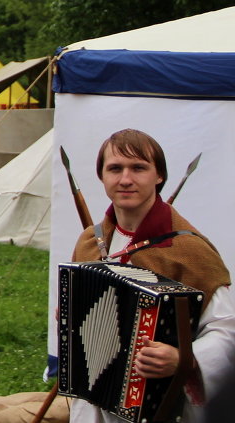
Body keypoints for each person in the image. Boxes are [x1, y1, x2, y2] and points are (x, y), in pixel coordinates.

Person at [68, 129, 235, 423]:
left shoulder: (188, 249)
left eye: (139, 168)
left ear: (159, 176)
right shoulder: (89, 242)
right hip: (95, 398)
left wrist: (184, 359)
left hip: (165, 407)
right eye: (115, 168)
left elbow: (226, 329)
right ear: (102, 176)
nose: (126, 179)